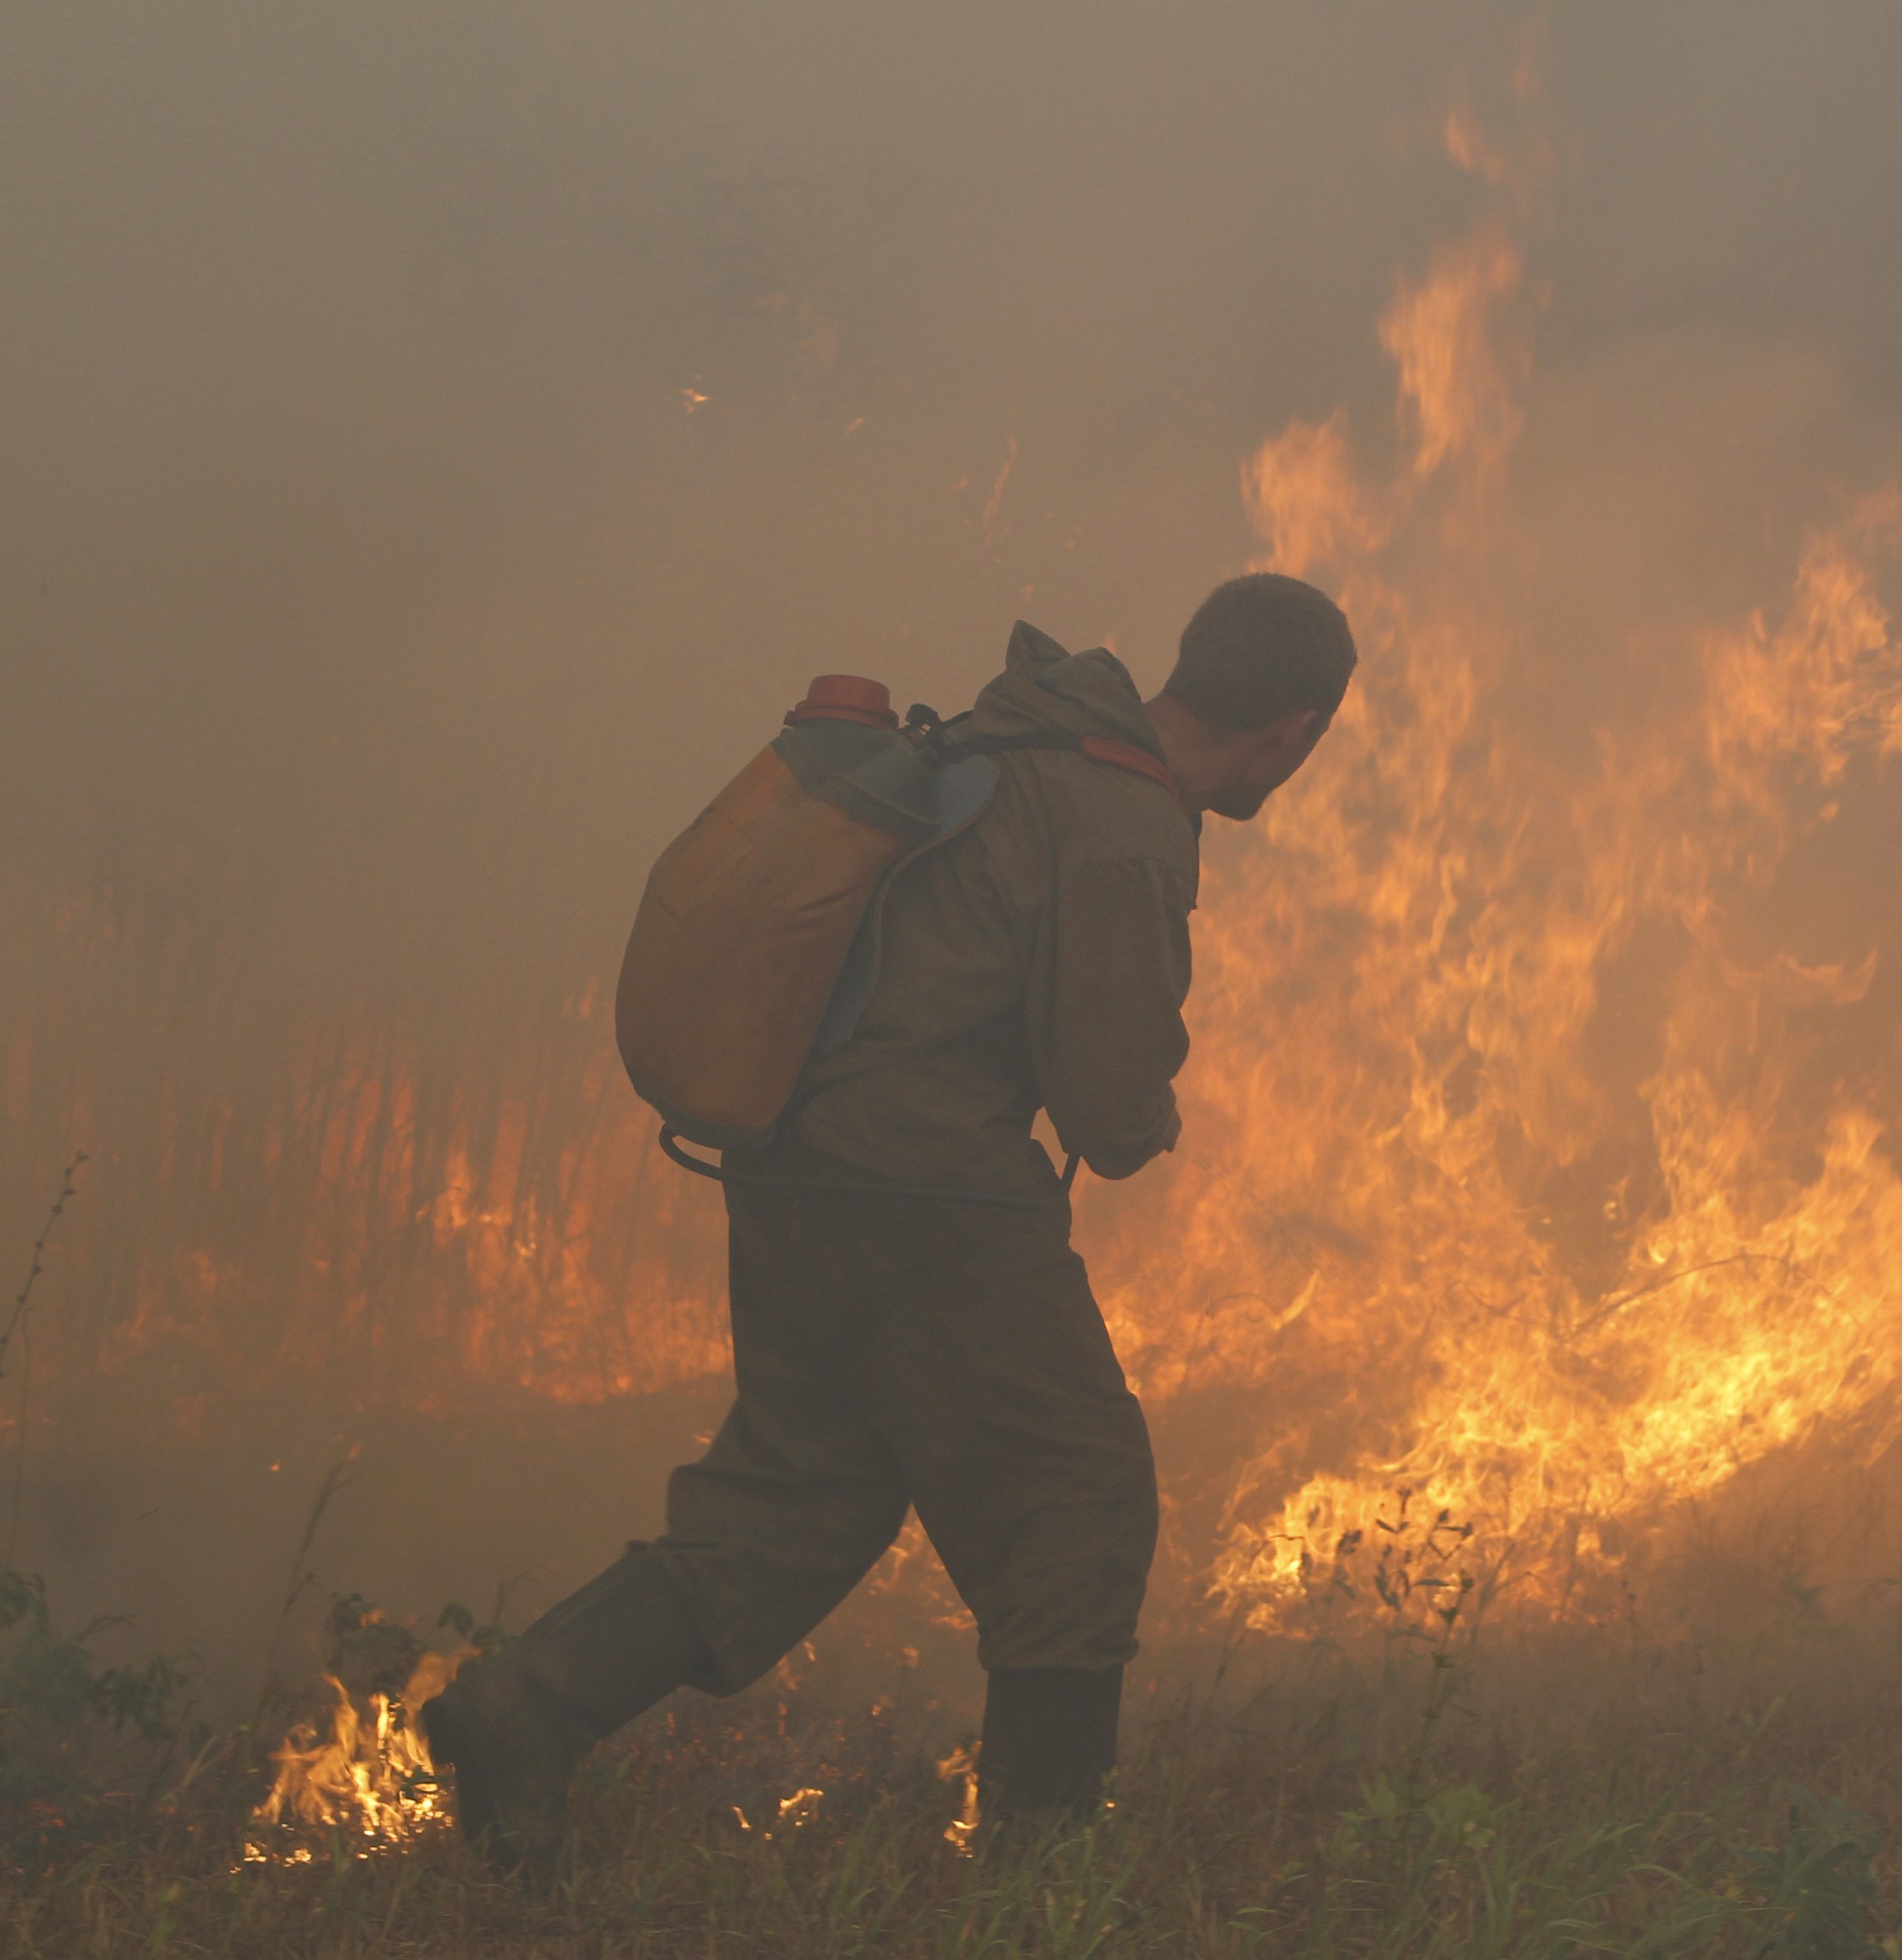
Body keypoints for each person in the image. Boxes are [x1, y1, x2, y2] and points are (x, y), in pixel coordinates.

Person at [423, 573, 1356, 1878]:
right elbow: (1106, 1103)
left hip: (799, 1163)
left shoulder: (1020, 736)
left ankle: (526, 1708)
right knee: (1076, 1500)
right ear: (1294, 733)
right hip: (932, 1191)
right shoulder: (1124, 818)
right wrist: (1151, 1115)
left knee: (802, 1492)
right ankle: (1040, 1880)